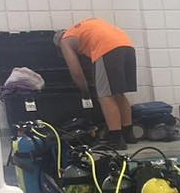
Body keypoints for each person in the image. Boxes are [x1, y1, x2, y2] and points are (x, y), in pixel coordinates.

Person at [55, 18, 137, 148]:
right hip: (127, 45)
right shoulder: (81, 29)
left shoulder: (64, 40)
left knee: (105, 95)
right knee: (118, 93)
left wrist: (85, 90)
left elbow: (76, 72)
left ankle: (116, 139)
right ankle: (128, 134)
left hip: (107, 48)